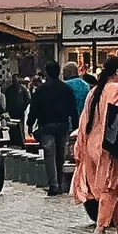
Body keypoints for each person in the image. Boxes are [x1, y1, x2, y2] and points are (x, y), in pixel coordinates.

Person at [72, 55, 118, 234]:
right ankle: (100, 228)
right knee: (111, 188)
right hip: (110, 147)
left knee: (108, 188)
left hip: (91, 146)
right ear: (117, 72)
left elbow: (83, 122)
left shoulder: (94, 92)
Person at [26, 61, 79, 195]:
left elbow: (34, 108)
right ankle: (60, 183)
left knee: (49, 155)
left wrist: (30, 124)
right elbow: (73, 109)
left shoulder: (41, 90)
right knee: (60, 155)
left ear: (47, 72)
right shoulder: (66, 89)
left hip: (46, 126)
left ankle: (53, 184)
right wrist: (76, 126)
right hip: (62, 125)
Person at [4, 73, 30, 148]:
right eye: (13, 79)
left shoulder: (23, 89)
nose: (14, 81)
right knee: (11, 126)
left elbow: (28, 99)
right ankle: (12, 141)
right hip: (11, 111)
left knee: (20, 126)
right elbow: (6, 99)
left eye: (16, 79)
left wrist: (23, 107)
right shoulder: (9, 89)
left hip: (20, 111)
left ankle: (21, 142)